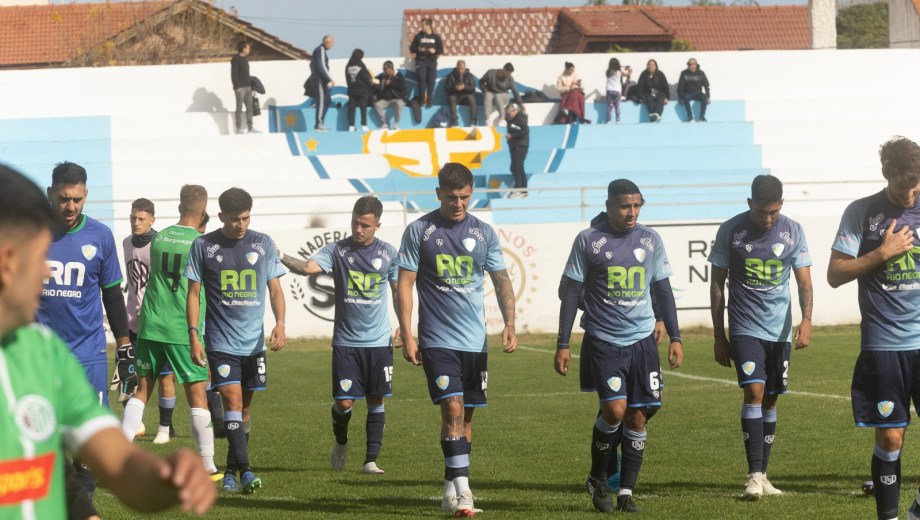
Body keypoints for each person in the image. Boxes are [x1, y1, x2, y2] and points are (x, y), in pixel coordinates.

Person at [0, 164, 216, 519]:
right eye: (39, 258)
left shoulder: (44, 352)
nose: (48, 271)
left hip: (89, 354)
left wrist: (166, 477)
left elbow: (117, 465)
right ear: (8, 264)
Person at [396, 162, 518, 516]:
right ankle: (465, 492)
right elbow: (405, 284)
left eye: (464, 197)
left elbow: (501, 279)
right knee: (451, 407)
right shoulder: (419, 230)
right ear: (438, 194)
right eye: (452, 197)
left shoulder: (484, 233)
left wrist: (510, 322)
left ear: (471, 194)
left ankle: (450, 487)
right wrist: (407, 332)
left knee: (465, 420)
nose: (459, 204)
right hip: (437, 339)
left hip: (474, 343)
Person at [555, 179, 684, 514]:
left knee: (639, 415)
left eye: (637, 205)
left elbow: (663, 290)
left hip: (642, 340)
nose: (632, 212)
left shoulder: (651, 240)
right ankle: (598, 477)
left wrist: (675, 336)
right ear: (610, 206)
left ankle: (626, 492)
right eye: (625, 206)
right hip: (604, 340)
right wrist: (563, 343)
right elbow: (570, 292)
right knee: (614, 410)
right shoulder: (588, 240)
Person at [827, 136, 920, 520]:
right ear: (887, 174)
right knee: (891, 437)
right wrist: (882, 252)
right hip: (884, 344)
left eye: (916, 185)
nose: (910, 194)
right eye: (902, 186)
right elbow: (835, 274)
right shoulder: (862, 212)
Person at [709, 175, 813, 499]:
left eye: (773, 212)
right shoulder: (731, 231)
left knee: (770, 398)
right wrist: (719, 335)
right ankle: (753, 475)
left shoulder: (793, 230)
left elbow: (804, 282)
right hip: (744, 327)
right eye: (761, 212)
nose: (767, 219)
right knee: (753, 392)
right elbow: (717, 284)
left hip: (779, 330)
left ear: (781, 204)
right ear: (749, 203)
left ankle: (764, 475)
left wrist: (807, 319)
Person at [280, 196, 398, 475]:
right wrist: (280, 255)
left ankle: (370, 460)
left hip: (379, 342)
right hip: (346, 342)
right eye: (355, 223)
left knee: (376, 400)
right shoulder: (337, 250)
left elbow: (399, 292)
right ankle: (341, 442)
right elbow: (307, 268)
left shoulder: (389, 253)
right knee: (344, 403)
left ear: (377, 225)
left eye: (365, 225)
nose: (359, 229)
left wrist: (404, 327)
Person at [38, 161, 130, 499]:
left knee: (88, 442)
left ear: (86, 195)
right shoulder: (32, 233)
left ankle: (84, 507)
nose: (70, 206)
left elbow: (112, 295)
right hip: (41, 356)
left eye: (77, 199)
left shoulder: (100, 236)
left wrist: (124, 346)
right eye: (64, 198)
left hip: (88, 355)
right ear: (51, 193)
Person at [185, 187, 286, 495]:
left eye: (245, 218)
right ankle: (246, 471)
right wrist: (194, 335)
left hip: (253, 344)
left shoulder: (263, 243)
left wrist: (280, 323)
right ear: (221, 216)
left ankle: (230, 470)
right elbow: (193, 294)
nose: (240, 225)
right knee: (232, 402)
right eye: (233, 219)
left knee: (243, 412)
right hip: (220, 342)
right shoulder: (204, 246)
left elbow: (275, 289)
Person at [120, 185, 222, 485]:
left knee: (141, 390)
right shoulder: (201, 243)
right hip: (182, 329)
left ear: (179, 208)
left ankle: (119, 458)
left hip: (151, 324)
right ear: (203, 212)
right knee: (197, 395)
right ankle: (208, 466)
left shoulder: (160, 237)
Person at [122, 198, 180, 444]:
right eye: (133, 218)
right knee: (135, 375)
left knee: (165, 376)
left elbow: (165, 284)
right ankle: (136, 423)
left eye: (141, 219)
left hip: (157, 321)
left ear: (152, 220)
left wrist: (151, 307)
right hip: (133, 323)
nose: (136, 222)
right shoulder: (126, 242)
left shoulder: (159, 244)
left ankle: (165, 428)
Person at [409, 17, 443, 108]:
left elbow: (441, 50)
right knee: (421, 79)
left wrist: (434, 51)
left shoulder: (436, 37)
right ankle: (422, 99)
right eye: (422, 25)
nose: (422, 27)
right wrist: (419, 49)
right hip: (421, 61)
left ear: (429, 26)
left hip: (432, 62)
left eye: (423, 25)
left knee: (431, 81)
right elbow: (412, 49)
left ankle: (430, 100)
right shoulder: (418, 36)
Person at [307, 35, 335, 132]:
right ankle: (318, 124)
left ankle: (321, 122)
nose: (332, 45)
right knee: (321, 101)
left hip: (322, 81)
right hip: (318, 80)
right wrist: (329, 78)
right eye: (332, 42)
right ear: (327, 42)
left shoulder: (321, 50)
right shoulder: (320, 50)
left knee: (327, 100)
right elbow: (321, 65)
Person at [345, 48, 374, 133]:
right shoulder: (361, 65)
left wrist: (350, 86)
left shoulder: (348, 65)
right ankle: (364, 125)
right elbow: (365, 77)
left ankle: (351, 126)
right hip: (362, 90)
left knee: (351, 109)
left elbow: (347, 78)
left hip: (352, 90)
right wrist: (370, 81)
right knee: (363, 108)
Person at [374, 61, 407, 131]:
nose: (385, 71)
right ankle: (384, 124)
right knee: (377, 105)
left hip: (398, 98)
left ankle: (396, 125)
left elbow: (402, 87)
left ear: (391, 68)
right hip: (387, 99)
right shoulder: (383, 76)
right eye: (384, 69)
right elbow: (378, 84)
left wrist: (391, 83)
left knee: (399, 105)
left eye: (386, 69)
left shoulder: (399, 76)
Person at [505, 102, 529, 198]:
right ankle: (524, 190)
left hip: (521, 146)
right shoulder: (510, 120)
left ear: (514, 111)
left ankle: (518, 189)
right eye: (506, 114)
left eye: (508, 113)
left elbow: (525, 131)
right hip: (514, 146)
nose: (507, 116)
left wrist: (512, 135)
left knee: (515, 167)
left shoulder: (520, 118)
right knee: (519, 167)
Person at [231, 41, 254, 134]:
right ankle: (238, 128)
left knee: (250, 107)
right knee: (239, 107)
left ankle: (250, 128)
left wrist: (251, 86)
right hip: (240, 88)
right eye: (248, 48)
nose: (249, 50)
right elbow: (233, 73)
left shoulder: (245, 59)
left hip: (248, 87)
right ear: (243, 48)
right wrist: (236, 86)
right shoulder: (236, 59)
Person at [677, 58, 711, 123]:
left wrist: (708, 96)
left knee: (704, 97)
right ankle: (690, 117)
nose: (690, 66)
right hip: (688, 93)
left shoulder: (701, 73)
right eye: (689, 64)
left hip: (698, 93)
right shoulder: (684, 73)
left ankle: (702, 116)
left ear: (696, 64)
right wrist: (680, 97)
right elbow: (680, 86)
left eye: (692, 64)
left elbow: (706, 85)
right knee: (685, 97)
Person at [445, 60, 477, 127]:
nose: (460, 70)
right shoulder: (450, 76)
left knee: (471, 98)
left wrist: (464, 87)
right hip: (455, 96)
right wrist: (455, 87)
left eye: (462, 68)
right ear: (456, 67)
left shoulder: (470, 76)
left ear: (465, 67)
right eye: (458, 68)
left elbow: (473, 88)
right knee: (451, 98)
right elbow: (447, 88)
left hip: (466, 96)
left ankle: (473, 122)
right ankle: (454, 122)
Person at [605, 58, 631, 124]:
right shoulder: (619, 72)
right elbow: (628, 75)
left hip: (609, 90)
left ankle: (609, 120)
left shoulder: (608, 72)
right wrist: (630, 71)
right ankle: (618, 120)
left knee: (609, 106)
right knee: (617, 106)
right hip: (617, 91)